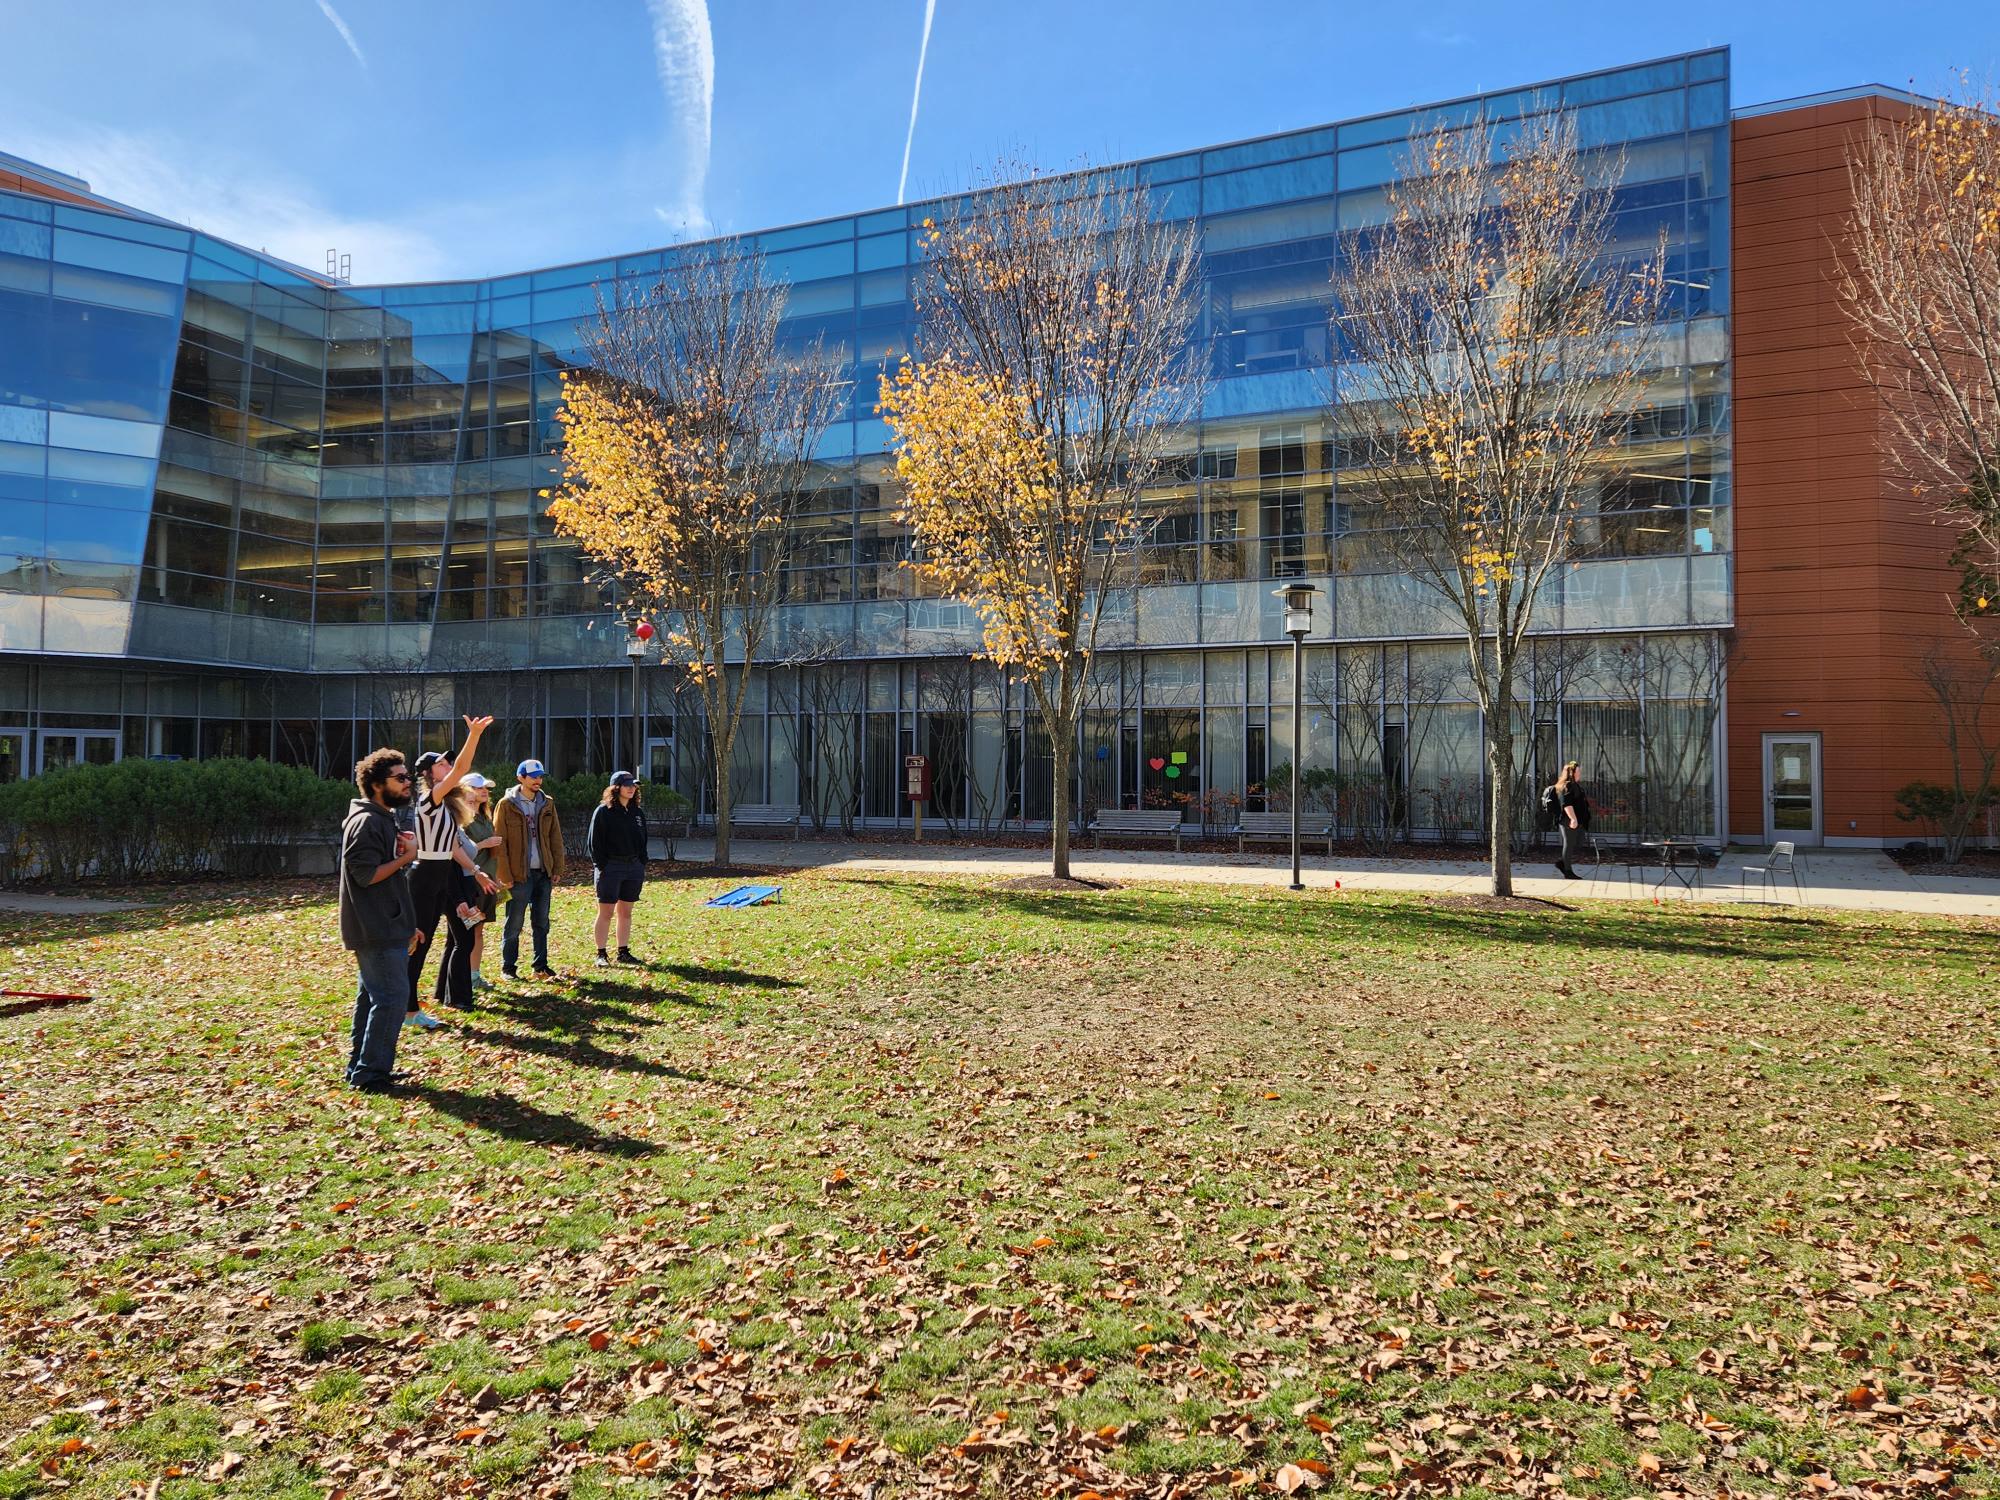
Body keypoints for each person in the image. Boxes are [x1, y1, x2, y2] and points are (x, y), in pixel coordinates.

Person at [406, 717, 500, 1024]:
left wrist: (476, 870)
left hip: (443, 876)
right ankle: (408, 1009)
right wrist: (473, 736)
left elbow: (453, 848)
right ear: (428, 774)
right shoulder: (428, 800)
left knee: (449, 938)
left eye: (448, 763)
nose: (448, 766)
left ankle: (439, 1000)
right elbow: (461, 770)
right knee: (418, 944)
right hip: (424, 878)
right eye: (442, 764)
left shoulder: (445, 806)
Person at [339, 749, 420, 1092]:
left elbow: (386, 878)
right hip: (376, 927)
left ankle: (361, 1066)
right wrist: (409, 857)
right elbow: (364, 874)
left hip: (388, 924)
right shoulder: (368, 821)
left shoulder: (382, 817)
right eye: (400, 778)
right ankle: (371, 1074)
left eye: (408, 778)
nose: (408, 784)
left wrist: (407, 923)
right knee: (391, 998)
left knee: (372, 998)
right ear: (375, 785)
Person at [494, 758, 564, 979]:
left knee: (542, 921)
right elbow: (500, 842)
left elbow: (555, 837)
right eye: (533, 776)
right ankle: (508, 967)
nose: (538, 780)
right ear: (520, 778)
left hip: (542, 873)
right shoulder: (506, 805)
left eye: (540, 776)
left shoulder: (547, 803)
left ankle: (540, 965)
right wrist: (505, 875)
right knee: (514, 923)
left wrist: (556, 868)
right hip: (518, 875)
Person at [588, 770, 649, 966]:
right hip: (611, 867)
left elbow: (643, 839)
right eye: (627, 785)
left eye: (634, 785)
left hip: (633, 867)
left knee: (626, 912)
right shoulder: (603, 812)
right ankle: (601, 954)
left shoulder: (637, 812)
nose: (632, 788)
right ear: (616, 788)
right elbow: (594, 843)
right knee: (606, 912)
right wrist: (603, 866)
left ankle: (623, 952)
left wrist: (641, 862)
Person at [459, 774, 503, 989]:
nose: (484, 791)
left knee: (478, 929)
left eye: (486, 788)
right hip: (471, 882)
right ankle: (462, 977)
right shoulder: (462, 820)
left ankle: (474, 975)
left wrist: (498, 877)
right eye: (479, 788)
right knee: (467, 931)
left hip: (488, 882)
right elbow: (461, 853)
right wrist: (485, 843)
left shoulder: (486, 816)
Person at [1553, 760, 1591, 880]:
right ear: (1571, 773)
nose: (1579, 773)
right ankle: (1567, 871)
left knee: (1577, 842)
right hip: (1568, 821)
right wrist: (1573, 819)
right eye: (1578, 772)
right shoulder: (1568, 786)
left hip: (1576, 821)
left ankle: (1562, 863)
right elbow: (1567, 804)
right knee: (1569, 845)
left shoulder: (1575, 785)